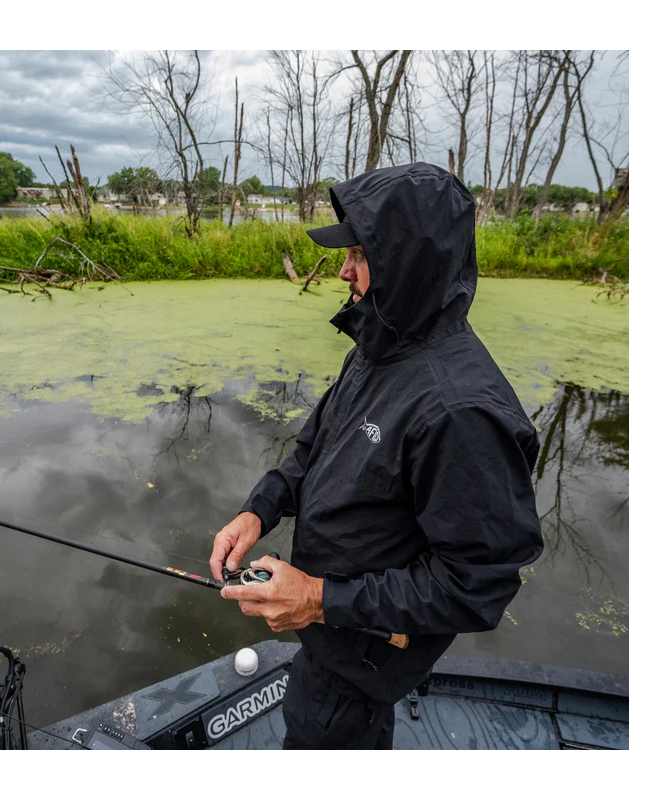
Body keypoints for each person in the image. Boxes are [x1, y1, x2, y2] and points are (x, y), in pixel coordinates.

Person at [211, 162, 543, 749]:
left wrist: (318, 599)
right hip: (328, 629)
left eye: (360, 255)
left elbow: (477, 584)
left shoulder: (459, 411)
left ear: (406, 264)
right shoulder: (381, 340)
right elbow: (317, 442)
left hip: (362, 657)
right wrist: (258, 511)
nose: (343, 270)